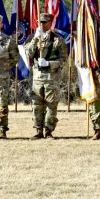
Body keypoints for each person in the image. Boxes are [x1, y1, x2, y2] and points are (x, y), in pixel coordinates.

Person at [25, 12, 68, 140]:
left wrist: (50, 63)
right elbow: (28, 53)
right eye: (40, 22)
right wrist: (35, 39)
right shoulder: (33, 37)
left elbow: (64, 60)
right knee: (37, 105)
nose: (42, 24)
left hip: (51, 79)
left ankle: (48, 131)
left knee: (51, 105)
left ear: (50, 23)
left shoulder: (57, 40)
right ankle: (38, 130)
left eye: (45, 22)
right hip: (37, 78)